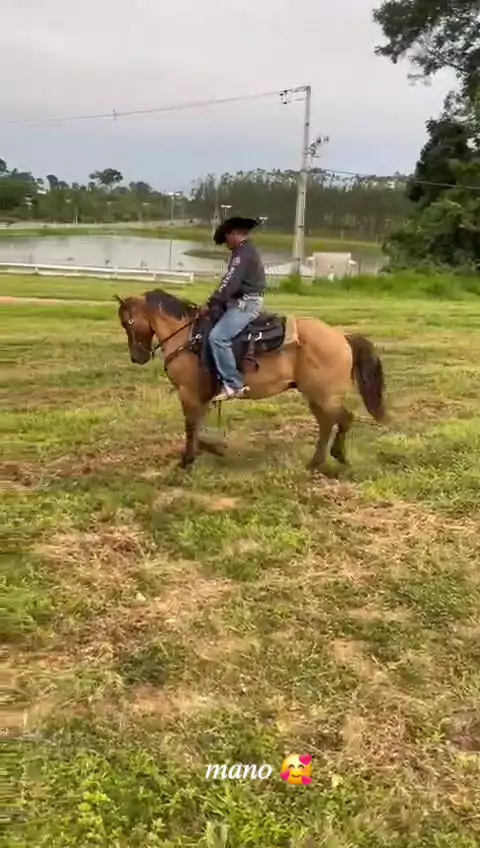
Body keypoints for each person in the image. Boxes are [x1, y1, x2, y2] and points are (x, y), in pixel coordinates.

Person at [205, 215, 266, 401]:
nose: (226, 244)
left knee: (218, 337)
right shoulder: (246, 250)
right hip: (242, 300)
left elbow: (231, 281)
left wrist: (215, 301)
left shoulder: (242, 254)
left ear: (233, 234)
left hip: (246, 304)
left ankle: (233, 384)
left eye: (226, 239)